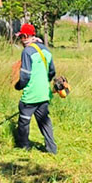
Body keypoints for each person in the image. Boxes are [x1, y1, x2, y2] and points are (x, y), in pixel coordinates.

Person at [14, 23, 57, 154]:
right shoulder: (45, 50)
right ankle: (52, 149)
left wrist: (18, 86)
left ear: (26, 36)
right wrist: (44, 83)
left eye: (21, 37)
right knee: (44, 122)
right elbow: (52, 72)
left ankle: (24, 148)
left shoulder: (27, 52)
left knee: (24, 121)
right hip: (44, 93)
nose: (21, 40)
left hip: (31, 95)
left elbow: (25, 76)